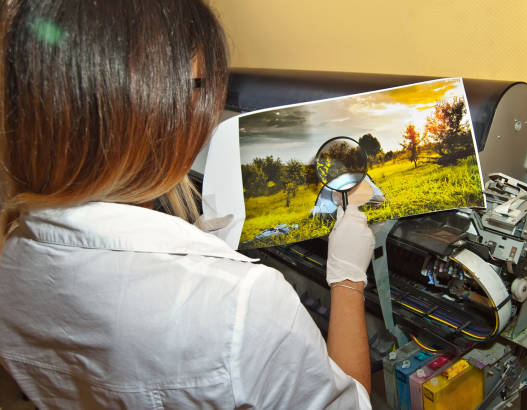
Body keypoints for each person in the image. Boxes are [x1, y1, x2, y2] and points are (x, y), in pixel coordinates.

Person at [0, 1, 375, 409]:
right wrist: (348, 280)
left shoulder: (12, 255)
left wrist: (192, 248)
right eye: (194, 86)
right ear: (140, 108)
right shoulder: (244, 304)